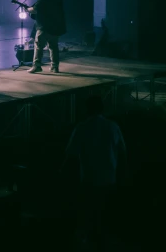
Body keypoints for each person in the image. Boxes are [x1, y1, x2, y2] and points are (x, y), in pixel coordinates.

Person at [63, 95, 127, 250]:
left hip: (89, 180)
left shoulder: (82, 127)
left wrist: (62, 173)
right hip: (109, 179)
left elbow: (70, 155)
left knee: (88, 214)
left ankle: (90, 243)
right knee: (105, 215)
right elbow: (123, 152)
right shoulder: (113, 126)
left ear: (87, 110)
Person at [25, 0, 66, 73]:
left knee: (38, 46)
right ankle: (55, 67)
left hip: (44, 27)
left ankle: (37, 66)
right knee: (53, 47)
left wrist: (27, 9)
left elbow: (34, 10)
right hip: (55, 27)